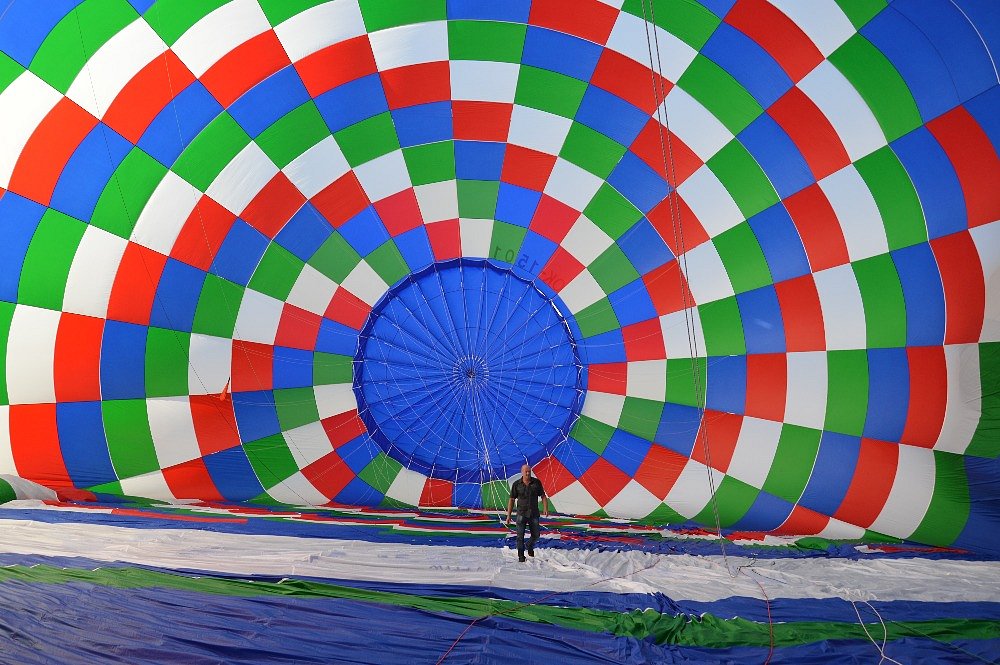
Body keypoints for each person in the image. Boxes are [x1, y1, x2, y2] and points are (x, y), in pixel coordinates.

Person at [505, 464, 549, 562]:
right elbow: (511, 499)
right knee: (520, 537)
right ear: (522, 472)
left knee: (536, 535)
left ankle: (529, 545)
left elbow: (543, 496)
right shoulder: (516, 484)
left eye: (529, 471)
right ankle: (521, 556)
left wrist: (545, 507)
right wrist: (508, 515)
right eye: (526, 472)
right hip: (521, 513)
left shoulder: (536, 483)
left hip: (533, 514)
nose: (528, 473)